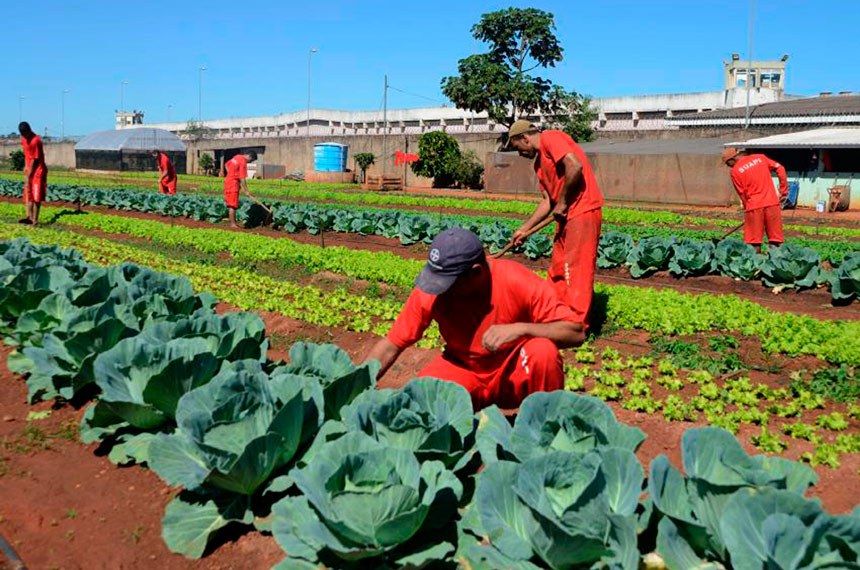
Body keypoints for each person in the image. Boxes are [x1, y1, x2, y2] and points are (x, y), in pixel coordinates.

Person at [364, 227, 585, 409]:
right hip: (463, 370)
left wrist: (521, 329)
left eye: (448, 283)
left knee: (542, 352)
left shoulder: (515, 280)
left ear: (476, 273)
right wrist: (353, 388)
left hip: (511, 375)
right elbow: (391, 345)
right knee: (423, 396)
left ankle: (546, 426)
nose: (439, 289)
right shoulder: (432, 288)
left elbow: (576, 332)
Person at [506, 120, 604, 329]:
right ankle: (556, 315)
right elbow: (547, 202)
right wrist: (525, 228)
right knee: (559, 267)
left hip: (582, 210)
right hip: (566, 214)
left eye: (517, 148)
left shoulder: (551, 137)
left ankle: (575, 327)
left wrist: (564, 202)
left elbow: (574, 165)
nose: (519, 153)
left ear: (525, 138)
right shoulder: (538, 165)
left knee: (576, 270)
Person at [721, 147, 788, 251]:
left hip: (754, 206)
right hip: (772, 203)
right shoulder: (760, 157)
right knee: (776, 239)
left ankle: (755, 264)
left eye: (727, 163)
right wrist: (783, 192)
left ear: (732, 160)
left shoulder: (735, 171)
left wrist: (748, 209)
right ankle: (776, 263)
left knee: (754, 241)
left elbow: (742, 193)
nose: (728, 166)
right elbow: (780, 168)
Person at [19, 121, 47, 225]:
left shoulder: (36, 141)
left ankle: (35, 220)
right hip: (29, 170)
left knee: (36, 196)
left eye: (26, 134)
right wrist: (25, 168)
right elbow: (27, 155)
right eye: (23, 135)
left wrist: (29, 172)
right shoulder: (23, 139)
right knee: (28, 195)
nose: (25, 136)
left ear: (29, 130)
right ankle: (29, 218)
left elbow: (35, 160)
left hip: (38, 172)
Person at [223, 150, 257, 228]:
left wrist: (231, 174)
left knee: (231, 203)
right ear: (249, 156)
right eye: (251, 161)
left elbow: (226, 165)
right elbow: (242, 178)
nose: (250, 162)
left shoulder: (237, 157)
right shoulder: (243, 162)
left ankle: (232, 223)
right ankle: (233, 224)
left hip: (228, 181)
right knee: (233, 205)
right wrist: (246, 191)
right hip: (233, 184)